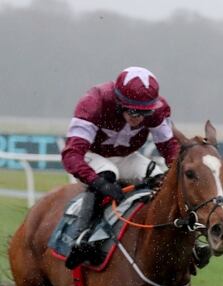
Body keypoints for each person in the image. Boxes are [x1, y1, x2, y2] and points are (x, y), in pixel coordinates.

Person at [60, 66, 180, 269]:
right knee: (108, 175)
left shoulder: (158, 110)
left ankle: (176, 238)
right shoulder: (93, 102)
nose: (138, 118)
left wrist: (177, 171)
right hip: (92, 155)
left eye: (145, 112)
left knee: (163, 178)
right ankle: (83, 237)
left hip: (127, 157)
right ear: (118, 103)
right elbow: (72, 155)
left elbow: (170, 150)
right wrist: (97, 182)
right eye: (133, 111)